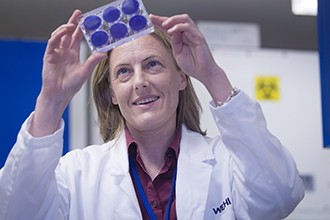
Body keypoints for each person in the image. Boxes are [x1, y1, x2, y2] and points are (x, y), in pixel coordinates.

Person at [0, 9, 304, 220]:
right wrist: (51, 100)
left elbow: (279, 197)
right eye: (123, 72)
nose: (140, 81)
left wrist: (212, 76)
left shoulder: (226, 164)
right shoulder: (77, 174)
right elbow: (17, 212)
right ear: (112, 95)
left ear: (181, 77)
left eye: (153, 64)